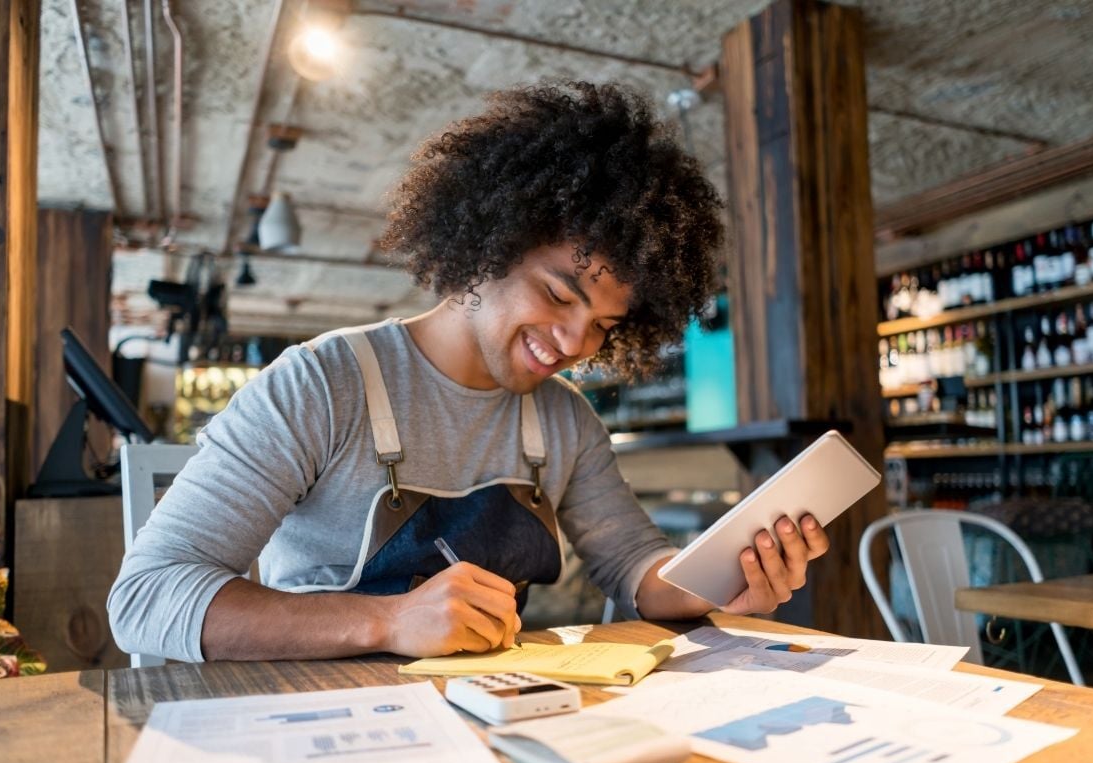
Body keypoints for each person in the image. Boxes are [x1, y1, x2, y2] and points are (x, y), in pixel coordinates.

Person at [108, 81, 829, 663]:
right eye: (557, 295)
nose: (577, 341)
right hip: (316, 719)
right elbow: (146, 598)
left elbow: (635, 568)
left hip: (500, 713)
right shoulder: (322, 385)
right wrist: (387, 622)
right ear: (486, 248)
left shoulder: (565, 422)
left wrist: (723, 581)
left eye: (605, 325)